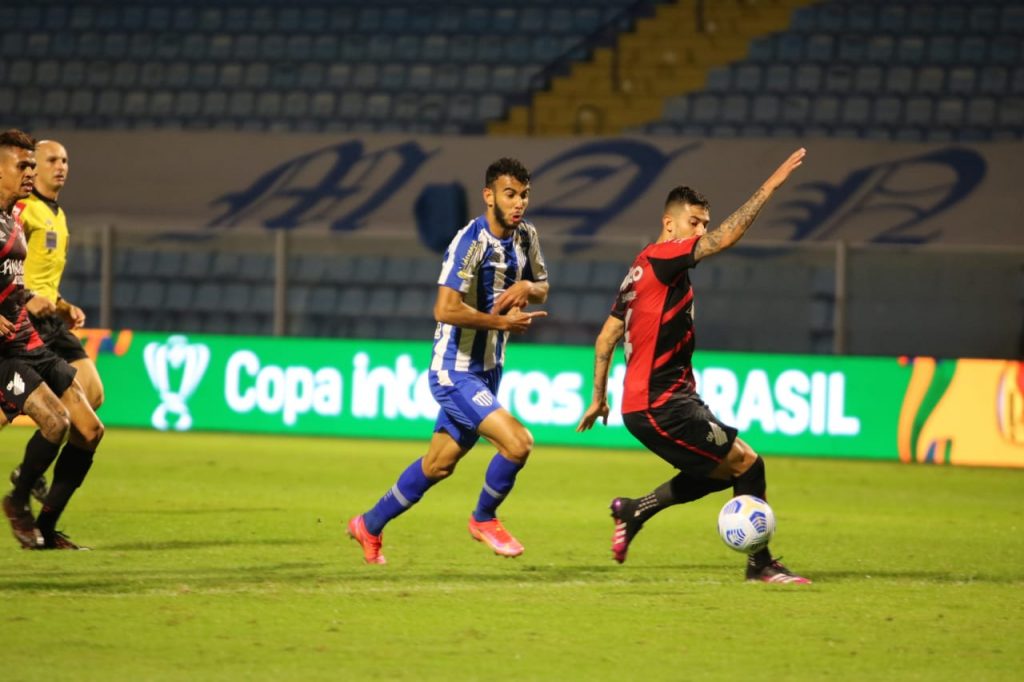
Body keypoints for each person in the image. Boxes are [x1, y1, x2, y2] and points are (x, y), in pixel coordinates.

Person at [576, 148, 811, 584]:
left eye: (703, 222)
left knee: (724, 471)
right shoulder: (663, 259)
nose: (701, 230)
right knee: (748, 465)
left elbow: (607, 336)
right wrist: (770, 186)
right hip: (660, 405)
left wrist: (598, 397)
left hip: (665, 400)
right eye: (694, 222)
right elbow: (724, 240)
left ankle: (634, 510)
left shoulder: (640, 269)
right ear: (670, 224)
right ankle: (760, 565)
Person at [347, 157, 548, 564]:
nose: (519, 203)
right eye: (510, 194)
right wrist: (500, 321)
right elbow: (444, 309)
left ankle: (368, 524)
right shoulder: (468, 244)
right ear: (488, 196)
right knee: (518, 443)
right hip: (453, 369)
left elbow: (543, 287)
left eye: (524, 195)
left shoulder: (526, 236)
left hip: (489, 370)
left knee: (438, 465)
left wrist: (528, 284)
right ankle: (484, 519)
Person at [0, 129, 104, 550]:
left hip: (32, 334)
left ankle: (40, 521)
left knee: (89, 425)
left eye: (32, 165)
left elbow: (14, 282)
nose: (32, 172)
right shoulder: (23, 213)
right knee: (56, 421)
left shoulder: (15, 219)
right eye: (25, 165)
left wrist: (55, 303)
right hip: (11, 344)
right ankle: (22, 496)